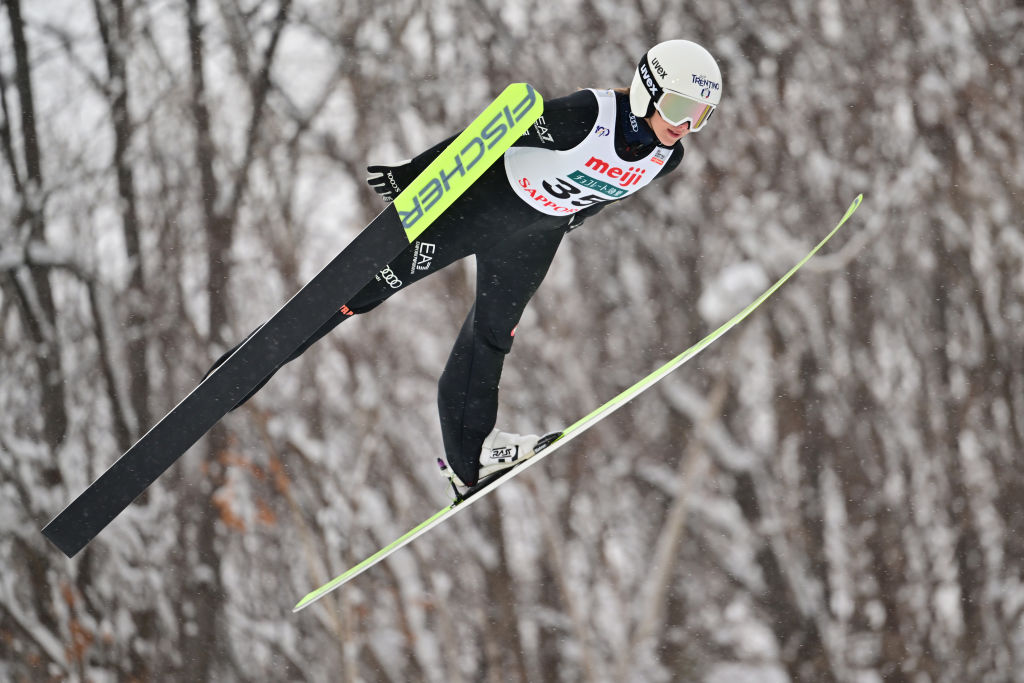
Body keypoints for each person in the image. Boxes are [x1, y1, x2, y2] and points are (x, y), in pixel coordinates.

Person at [208, 39, 722, 489]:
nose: (683, 126)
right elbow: (496, 132)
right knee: (359, 293)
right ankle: (243, 367)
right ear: (647, 89)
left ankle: (470, 458)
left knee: (493, 335)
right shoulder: (589, 116)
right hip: (479, 208)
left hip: (533, 235)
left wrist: (569, 220)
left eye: (699, 116)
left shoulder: (666, 158)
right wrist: (419, 172)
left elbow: (601, 190)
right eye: (678, 107)